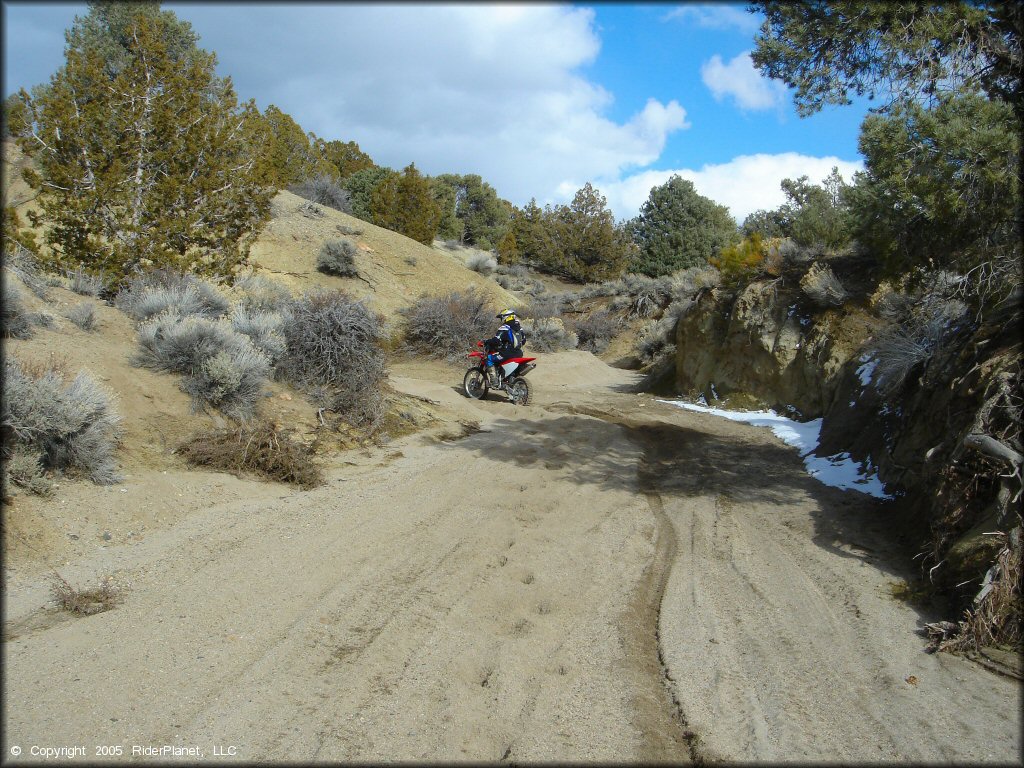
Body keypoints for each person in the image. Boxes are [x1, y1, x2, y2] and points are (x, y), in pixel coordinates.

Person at [483, 309, 526, 385]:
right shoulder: (520, 328)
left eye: (501, 317)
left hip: (507, 354)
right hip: (519, 354)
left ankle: (494, 381)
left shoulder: (505, 327)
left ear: (506, 317)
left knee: (489, 358)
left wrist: (486, 341)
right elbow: (524, 341)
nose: (501, 319)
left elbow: (496, 340)